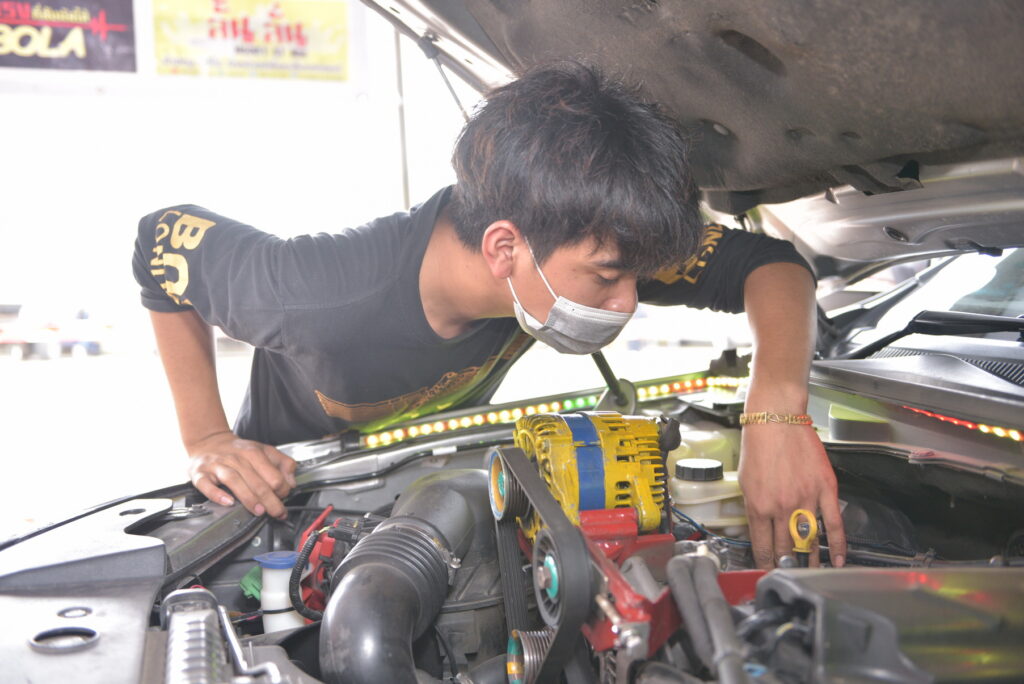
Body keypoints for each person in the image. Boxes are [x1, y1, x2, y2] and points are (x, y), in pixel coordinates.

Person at [133, 61, 846, 569]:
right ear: (505, 248)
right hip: (290, 509)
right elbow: (158, 239)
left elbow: (771, 266)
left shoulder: (574, 228)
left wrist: (776, 413)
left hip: (434, 480)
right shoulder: (316, 294)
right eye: (608, 277)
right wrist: (207, 437)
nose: (629, 300)